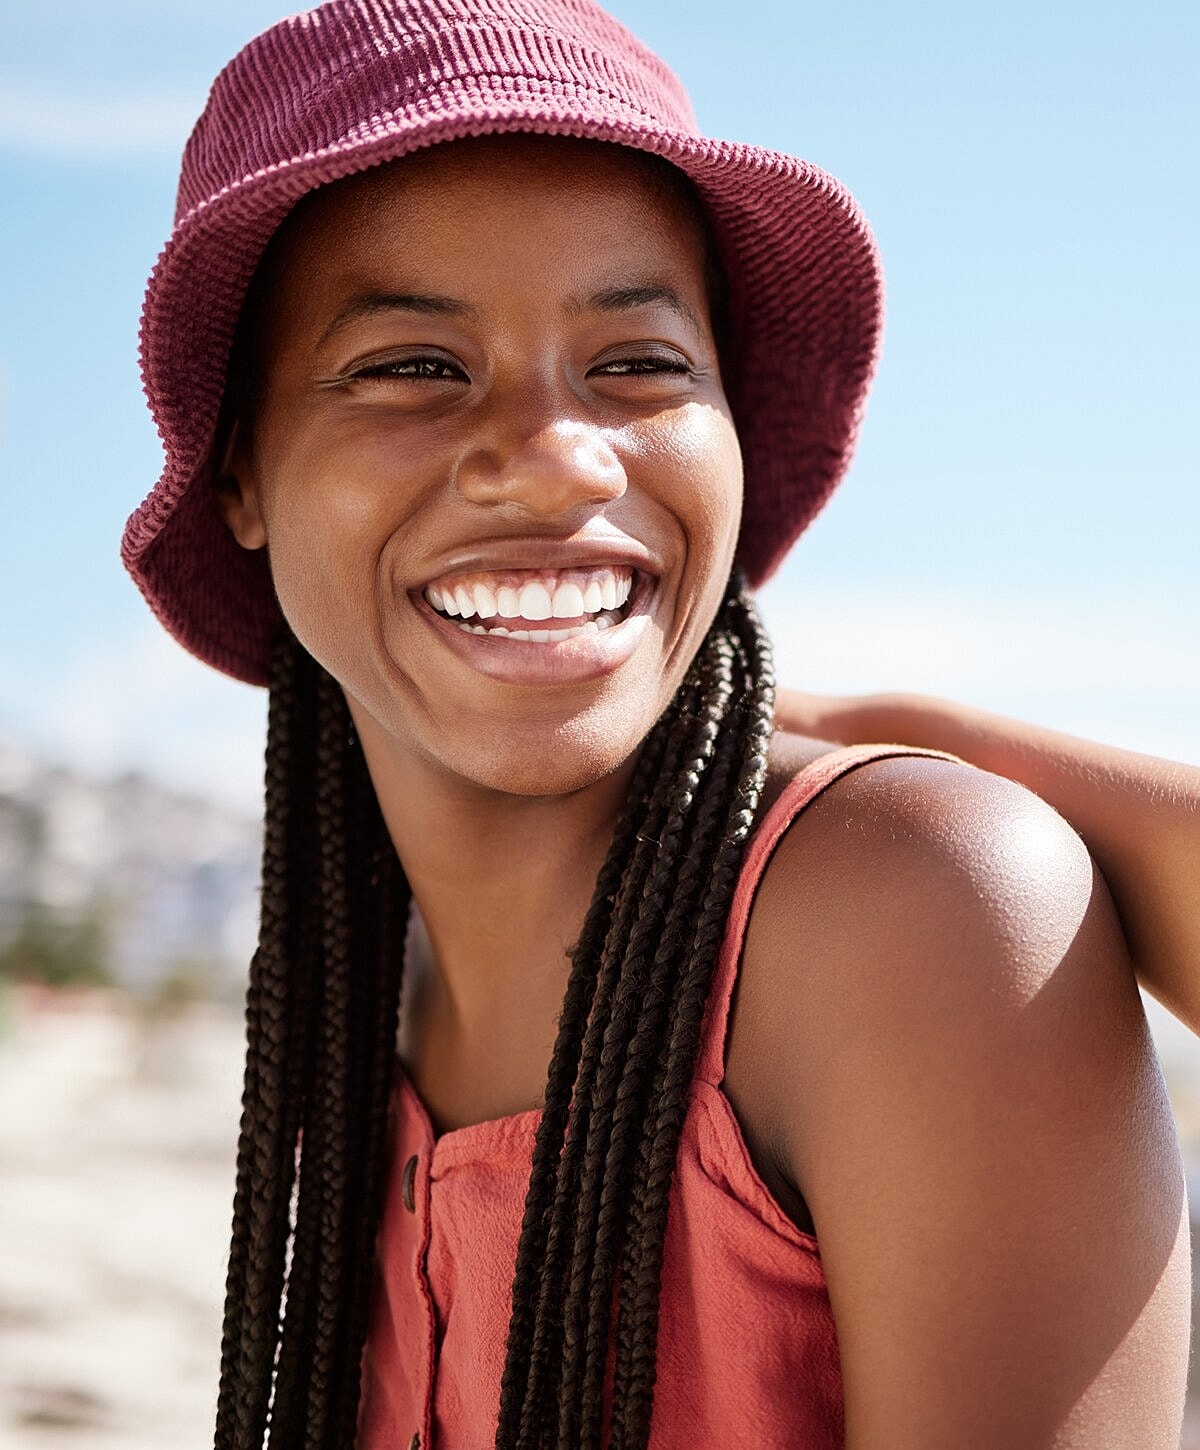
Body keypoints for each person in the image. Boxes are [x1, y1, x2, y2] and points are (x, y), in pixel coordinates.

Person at [120, 1, 1194, 1445]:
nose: (557, 458)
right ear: (241, 474)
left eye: (638, 364)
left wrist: (912, 732)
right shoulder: (349, 977)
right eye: (413, 367)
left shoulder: (908, 911)